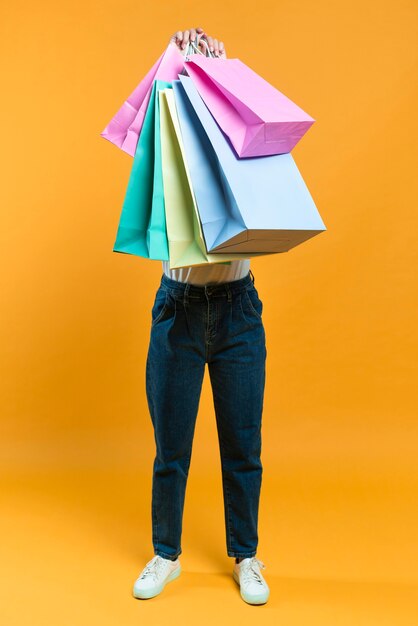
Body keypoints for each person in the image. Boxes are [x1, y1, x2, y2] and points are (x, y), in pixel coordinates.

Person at [132, 27, 270, 606]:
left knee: (243, 445)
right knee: (172, 446)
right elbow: (142, 127)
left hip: (238, 312)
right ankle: (166, 553)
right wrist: (176, 62)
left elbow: (263, 131)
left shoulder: (241, 146)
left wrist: (223, 68)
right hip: (178, 311)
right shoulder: (166, 149)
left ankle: (247, 555)